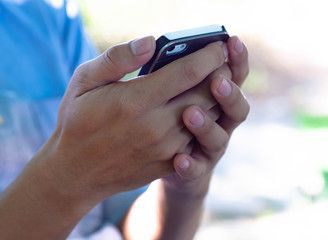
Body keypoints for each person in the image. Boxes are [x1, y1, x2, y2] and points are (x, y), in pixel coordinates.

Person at [0, 1, 250, 239]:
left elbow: (123, 227)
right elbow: (78, 170)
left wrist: (183, 189)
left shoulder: (45, 14)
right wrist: (70, 177)